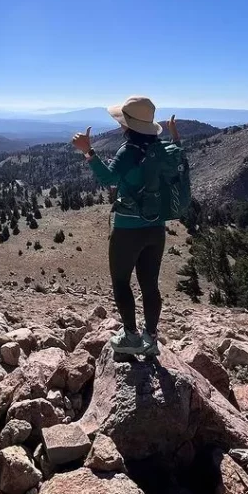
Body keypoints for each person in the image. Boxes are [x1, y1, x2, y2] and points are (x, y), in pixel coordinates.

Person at [72, 95, 180, 357]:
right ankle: (151, 338)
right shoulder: (160, 147)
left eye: (122, 121)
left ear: (129, 124)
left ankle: (131, 336)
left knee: (121, 281)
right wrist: (175, 137)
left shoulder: (129, 151)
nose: (120, 125)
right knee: (150, 284)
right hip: (155, 228)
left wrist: (88, 151)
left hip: (128, 229)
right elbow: (176, 159)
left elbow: (109, 178)